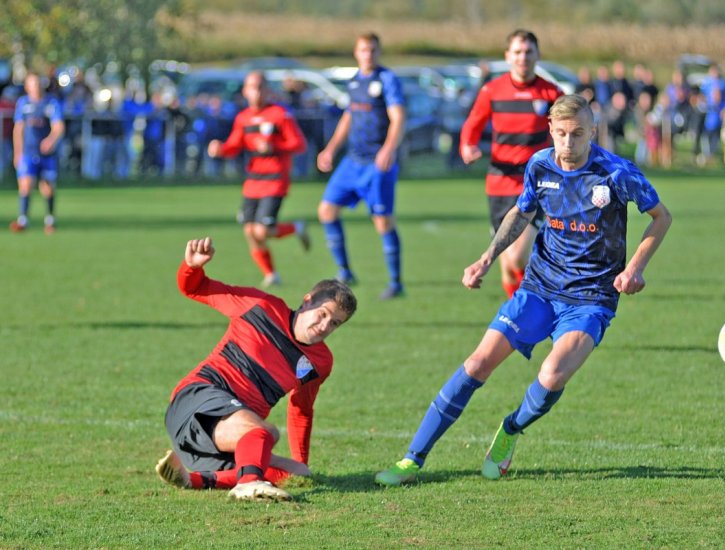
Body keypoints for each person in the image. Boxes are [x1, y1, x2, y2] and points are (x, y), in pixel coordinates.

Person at [375, 94, 672, 486]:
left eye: (578, 134)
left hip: (591, 297)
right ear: (550, 130)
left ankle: (511, 428)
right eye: (562, 133)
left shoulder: (616, 172)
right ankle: (412, 459)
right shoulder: (539, 165)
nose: (568, 143)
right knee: (478, 363)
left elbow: (660, 216)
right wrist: (486, 257)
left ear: (593, 132)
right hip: (540, 286)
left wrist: (634, 269)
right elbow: (522, 211)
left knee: (551, 376)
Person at [156, 237, 357, 501]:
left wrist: (299, 463)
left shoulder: (319, 361)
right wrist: (192, 267)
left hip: (215, 442)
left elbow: (301, 410)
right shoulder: (260, 306)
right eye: (322, 314)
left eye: (334, 324)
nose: (324, 326)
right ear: (307, 301)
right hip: (196, 402)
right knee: (265, 433)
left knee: (295, 472)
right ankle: (249, 482)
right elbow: (195, 288)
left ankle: (193, 479)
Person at [459, 29, 564, 298]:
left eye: (528, 51)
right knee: (506, 263)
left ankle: (538, 299)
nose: (523, 57)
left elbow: (569, 127)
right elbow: (472, 124)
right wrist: (467, 145)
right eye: (517, 52)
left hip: (537, 182)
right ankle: (521, 320)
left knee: (517, 256)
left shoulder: (551, 92)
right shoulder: (492, 90)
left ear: (538, 55)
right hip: (499, 182)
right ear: (507, 56)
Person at [316, 32, 406, 300]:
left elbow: (398, 117)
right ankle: (344, 270)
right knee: (326, 211)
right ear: (356, 52)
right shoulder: (355, 81)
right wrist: (331, 148)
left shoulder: (387, 80)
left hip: (377, 163)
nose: (368, 54)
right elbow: (348, 116)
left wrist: (389, 148)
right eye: (364, 50)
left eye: (373, 50)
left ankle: (396, 282)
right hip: (352, 161)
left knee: (382, 221)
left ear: (379, 52)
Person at [208, 71, 310, 287]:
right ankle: (272, 274)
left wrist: (275, 146)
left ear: (267, 90)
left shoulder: (280, 114)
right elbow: (234, 146)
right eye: (252, 87)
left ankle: (296, 228)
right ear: (245, 91)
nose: (256, 91)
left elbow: (299, 144)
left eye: (260, 86)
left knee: (262, 230)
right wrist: (221, 149)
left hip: (275, 179)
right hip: (253, 181)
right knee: (249, 231)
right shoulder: (243, 118)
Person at [9, 72, 65, 233]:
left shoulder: (51, 103)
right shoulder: (23, 103)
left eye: (38, 83)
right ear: (27, 86)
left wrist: (51, 140)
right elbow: (18, 129)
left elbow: (59, 126)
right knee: (25, 185)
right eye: (32, 83)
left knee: (47, 187)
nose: (36, 86)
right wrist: (17, 152)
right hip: (28, 152)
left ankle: (50, 219)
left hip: (46, 154)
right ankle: (23, 219)